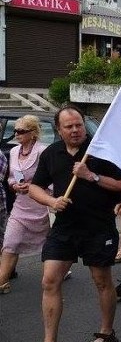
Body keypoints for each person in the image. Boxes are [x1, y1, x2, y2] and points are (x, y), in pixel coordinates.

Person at [22, 105, 121, 342]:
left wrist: (90, 176)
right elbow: (34, 187)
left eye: (78, 124)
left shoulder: (101, 150)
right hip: (65, 227)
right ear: (59, 130)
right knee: (49, 281)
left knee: (101, 280)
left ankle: (107, 333)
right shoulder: (52, 154)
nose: (75, 130)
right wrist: (51, 200)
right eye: (69, 126)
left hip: (98, 226)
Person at [0, 115, 49, 294]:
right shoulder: (13, 151)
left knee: (48, 245)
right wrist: (14, 185)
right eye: (15, 131)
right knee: (10, 242)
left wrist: (35, 186)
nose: (17, 134)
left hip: (42, 205)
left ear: (33, 133)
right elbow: (11, 176)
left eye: (21, 131)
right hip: (21, 205)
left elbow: (53, 178)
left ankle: (56, 274)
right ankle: (2, 281)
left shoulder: (43, 151)